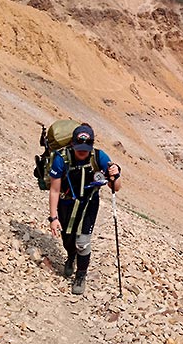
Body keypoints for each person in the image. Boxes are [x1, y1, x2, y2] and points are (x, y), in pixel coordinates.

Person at [47, 123, 121, 295]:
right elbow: (54, 189)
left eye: (86, 148)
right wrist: (53, 218)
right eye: (79, 147)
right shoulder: (61, 159)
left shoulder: (99, 157)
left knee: (83, 242)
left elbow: (115, 187)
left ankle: (81, 275)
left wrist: (115, 174)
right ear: (72, 144)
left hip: (89, 204)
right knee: (67, 239)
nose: (82, 151)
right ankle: (71, 255)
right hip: (66, 204)